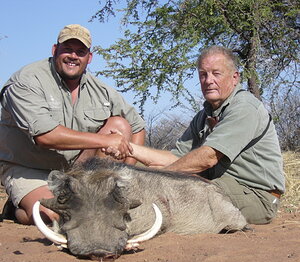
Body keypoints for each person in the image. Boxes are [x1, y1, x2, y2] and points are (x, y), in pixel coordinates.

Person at [111, 45, 285, 225]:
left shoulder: (244, 107)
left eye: (216, 74)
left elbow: (208, 157)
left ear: (235, 78)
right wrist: (127, 147)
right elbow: (175, 157)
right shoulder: (204, 115)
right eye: (203, 74)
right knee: (173, 182)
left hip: (258, 196)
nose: (208, 80)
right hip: (220, 185)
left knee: (184, 190)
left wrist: (157, 177)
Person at [0, 24, 146, 225]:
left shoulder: (100, 90)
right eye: (67, 49)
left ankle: (100, 191)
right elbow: (45, 136)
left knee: (119, 125)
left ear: (89, 57)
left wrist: (126, 174)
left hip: (75, 170)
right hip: (29, 168)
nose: (73, 56)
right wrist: (104, 140)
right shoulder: (26, 81)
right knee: (56, 217)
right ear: (54, 50)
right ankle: (18, 208)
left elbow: (136, 126)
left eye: (80, 51)